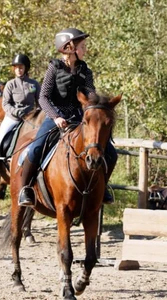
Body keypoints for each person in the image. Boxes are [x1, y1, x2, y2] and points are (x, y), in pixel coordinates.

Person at [18, 28, 117, 207]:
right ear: (69, 47)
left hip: (80, 119)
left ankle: (103, 188)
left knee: (111, 152)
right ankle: (26, 190)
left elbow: (91, 95)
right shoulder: (54, 68)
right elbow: (43, 97)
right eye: (82, 46)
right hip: (57, 116)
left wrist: (96, 107)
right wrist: (55, 117)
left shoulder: (85, 70)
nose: (85, 50)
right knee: (36, 148)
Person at [0, 54, 41, 180]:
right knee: (0, 137)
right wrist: (16, 112)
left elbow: (40, 101)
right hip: (13, 118)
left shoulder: (34, 84)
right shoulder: (10, 84)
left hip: (30, 118)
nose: (18, 69)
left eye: (21, 67)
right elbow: (5, 104)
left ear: (26, 68)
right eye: (16, 67)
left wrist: (38, 111)